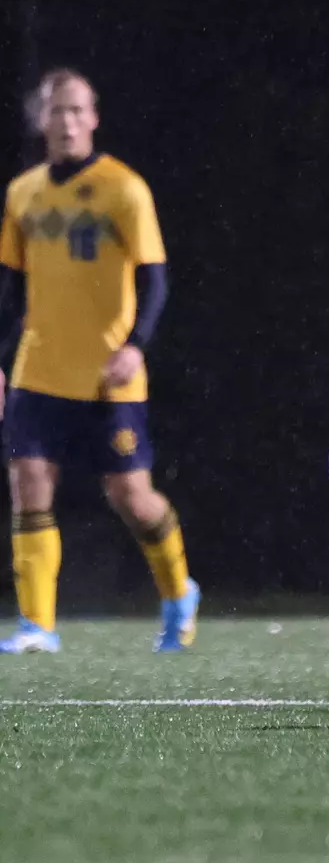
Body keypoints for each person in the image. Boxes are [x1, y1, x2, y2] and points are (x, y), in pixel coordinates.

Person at [0, 69, 199, 654]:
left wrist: (135, 344)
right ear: (41, 121)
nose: (66, 121)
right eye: (56, 110)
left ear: (93, 118)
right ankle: (38, 625)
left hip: (108, 372)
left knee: (130, 497)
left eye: (76, 110)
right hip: (41, 368)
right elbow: (9, 289)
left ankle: (178, 591)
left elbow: (155, 279)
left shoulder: (124, 188)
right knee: (29, 483)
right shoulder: (22, 193)